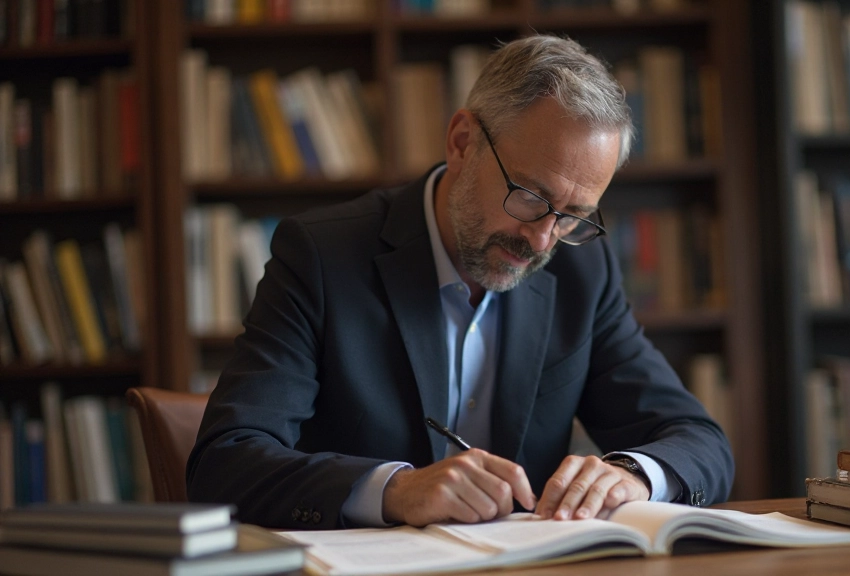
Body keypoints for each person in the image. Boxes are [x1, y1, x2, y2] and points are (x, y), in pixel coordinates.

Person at [186, 34, 734, 530]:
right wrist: (394, 489)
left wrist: (635, 474)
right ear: (462, 140)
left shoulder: (582, 268)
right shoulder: (322, 255)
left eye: (572, 215)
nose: (542, 240)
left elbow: (700, 441)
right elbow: (225, 463)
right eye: (529, 197)